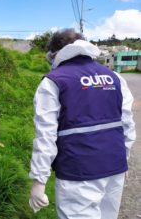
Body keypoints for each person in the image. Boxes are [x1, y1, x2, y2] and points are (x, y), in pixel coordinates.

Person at [28, 28, 136, 219]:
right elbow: (127, 126)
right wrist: (123, 161)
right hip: (114, 169)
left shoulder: (53, 81)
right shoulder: (115, 78)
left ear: (54, 54)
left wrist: (39, 181)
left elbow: (46, 136)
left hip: (78, 173)